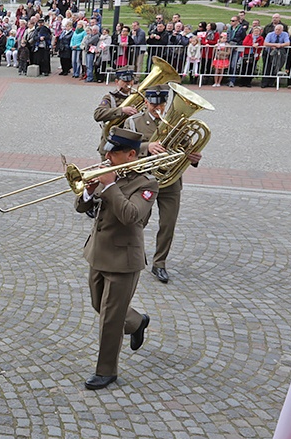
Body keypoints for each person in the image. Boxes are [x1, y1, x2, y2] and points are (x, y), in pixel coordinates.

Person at [75, 127, 157, 390]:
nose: (107, 157)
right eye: (108, 151)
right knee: (99, 304)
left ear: (131, 154)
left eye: (115, 153)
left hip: (123, 259)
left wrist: (109, 185)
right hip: (98, 253)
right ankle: (136, 322)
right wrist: (88, 191)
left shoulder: (146, 183)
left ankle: (106, 370)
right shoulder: (110, 173)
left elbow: (132, 216)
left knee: (110, 319)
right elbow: (81, 207)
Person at [126, 88, 202, 284]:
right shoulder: (134, 122)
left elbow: (185, 149)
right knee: (138, 221)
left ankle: (159, 263)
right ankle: (134, 254)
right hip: (144, 180)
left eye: (161, 105)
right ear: (145, 103)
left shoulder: (177, 123)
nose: (157, 109)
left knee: (168, 224)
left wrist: (193, 158)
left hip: (171, 181)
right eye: (153, 105)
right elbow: (124, 148)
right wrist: (146, 147)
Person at [93, 69, 137, 155]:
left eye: (130, 81)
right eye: (124, 81)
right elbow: (97, 114)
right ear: (117, 81)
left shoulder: (136, 97)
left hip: (129, 144)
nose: (128, 84)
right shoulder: (110, 97)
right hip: (111, 142)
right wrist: (122, 110)